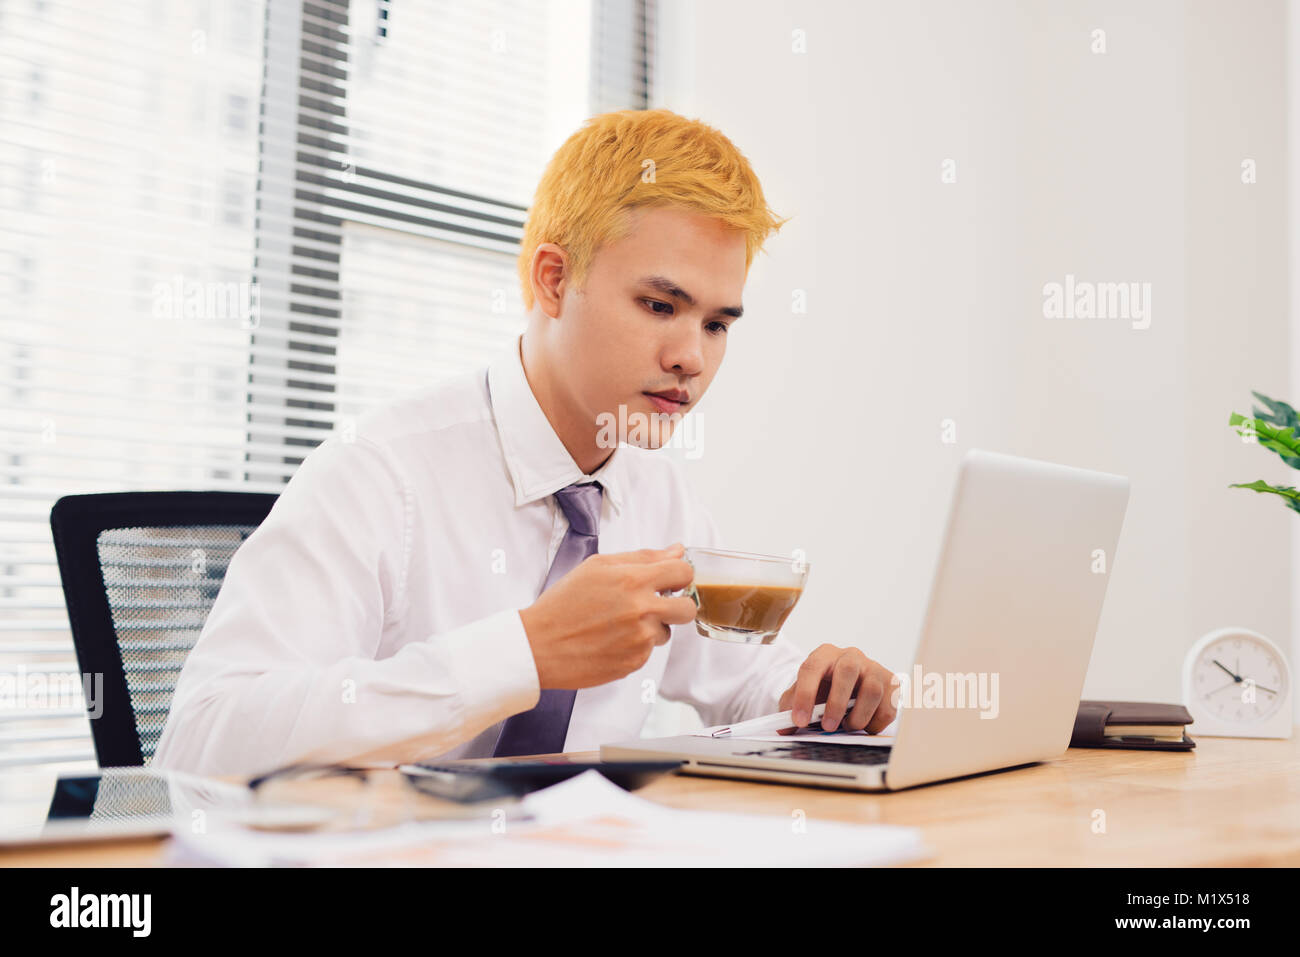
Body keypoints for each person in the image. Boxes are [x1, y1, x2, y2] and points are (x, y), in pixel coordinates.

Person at [154, 108, 897, 778]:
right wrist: (523, 652)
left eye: (716, 323)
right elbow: (203, 738)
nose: (691, 357)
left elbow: (737, 680)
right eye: (659, 305)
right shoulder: (382, 473)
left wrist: (818, 692)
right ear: (553, 279)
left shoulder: (655, 491)